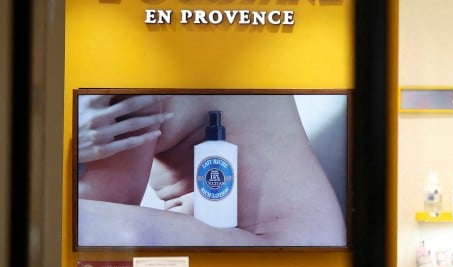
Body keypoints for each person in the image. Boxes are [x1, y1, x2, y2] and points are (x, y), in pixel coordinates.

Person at [76, 92, 346, 247]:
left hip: (273, 242)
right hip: (314, 236)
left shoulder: (123, 73)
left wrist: (68, 140)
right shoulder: (199, 53)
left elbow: (103, 203)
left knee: (75, 220)